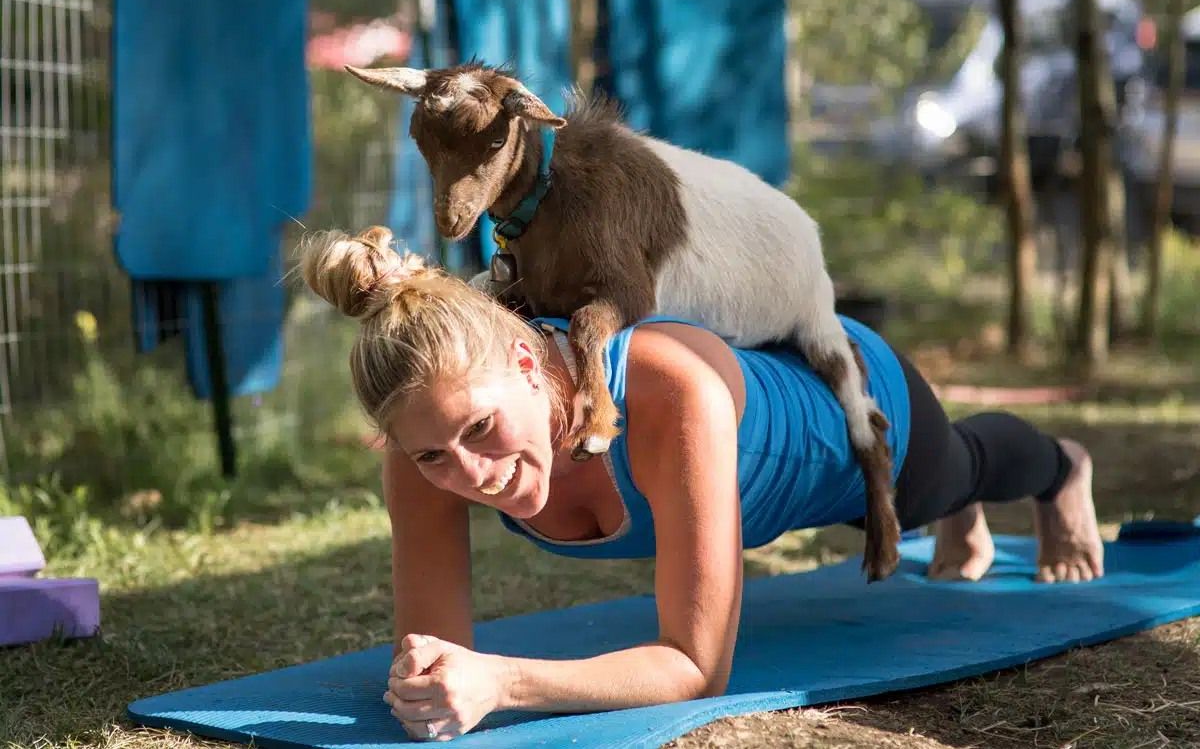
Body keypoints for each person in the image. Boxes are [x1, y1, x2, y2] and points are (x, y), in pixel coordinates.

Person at [298, 226, 1105, 742]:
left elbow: (695, 664)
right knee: (937, 505)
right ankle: (962, 518)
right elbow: (435, 658)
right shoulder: (424, 452)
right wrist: (433, 680)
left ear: (526, 360)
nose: (471, 474)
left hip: (855, 407)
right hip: (764, 457)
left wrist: (503, 681)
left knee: (956, 472)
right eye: (433, 455)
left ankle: (1063, 468)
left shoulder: (665, 391)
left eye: (479, 429)